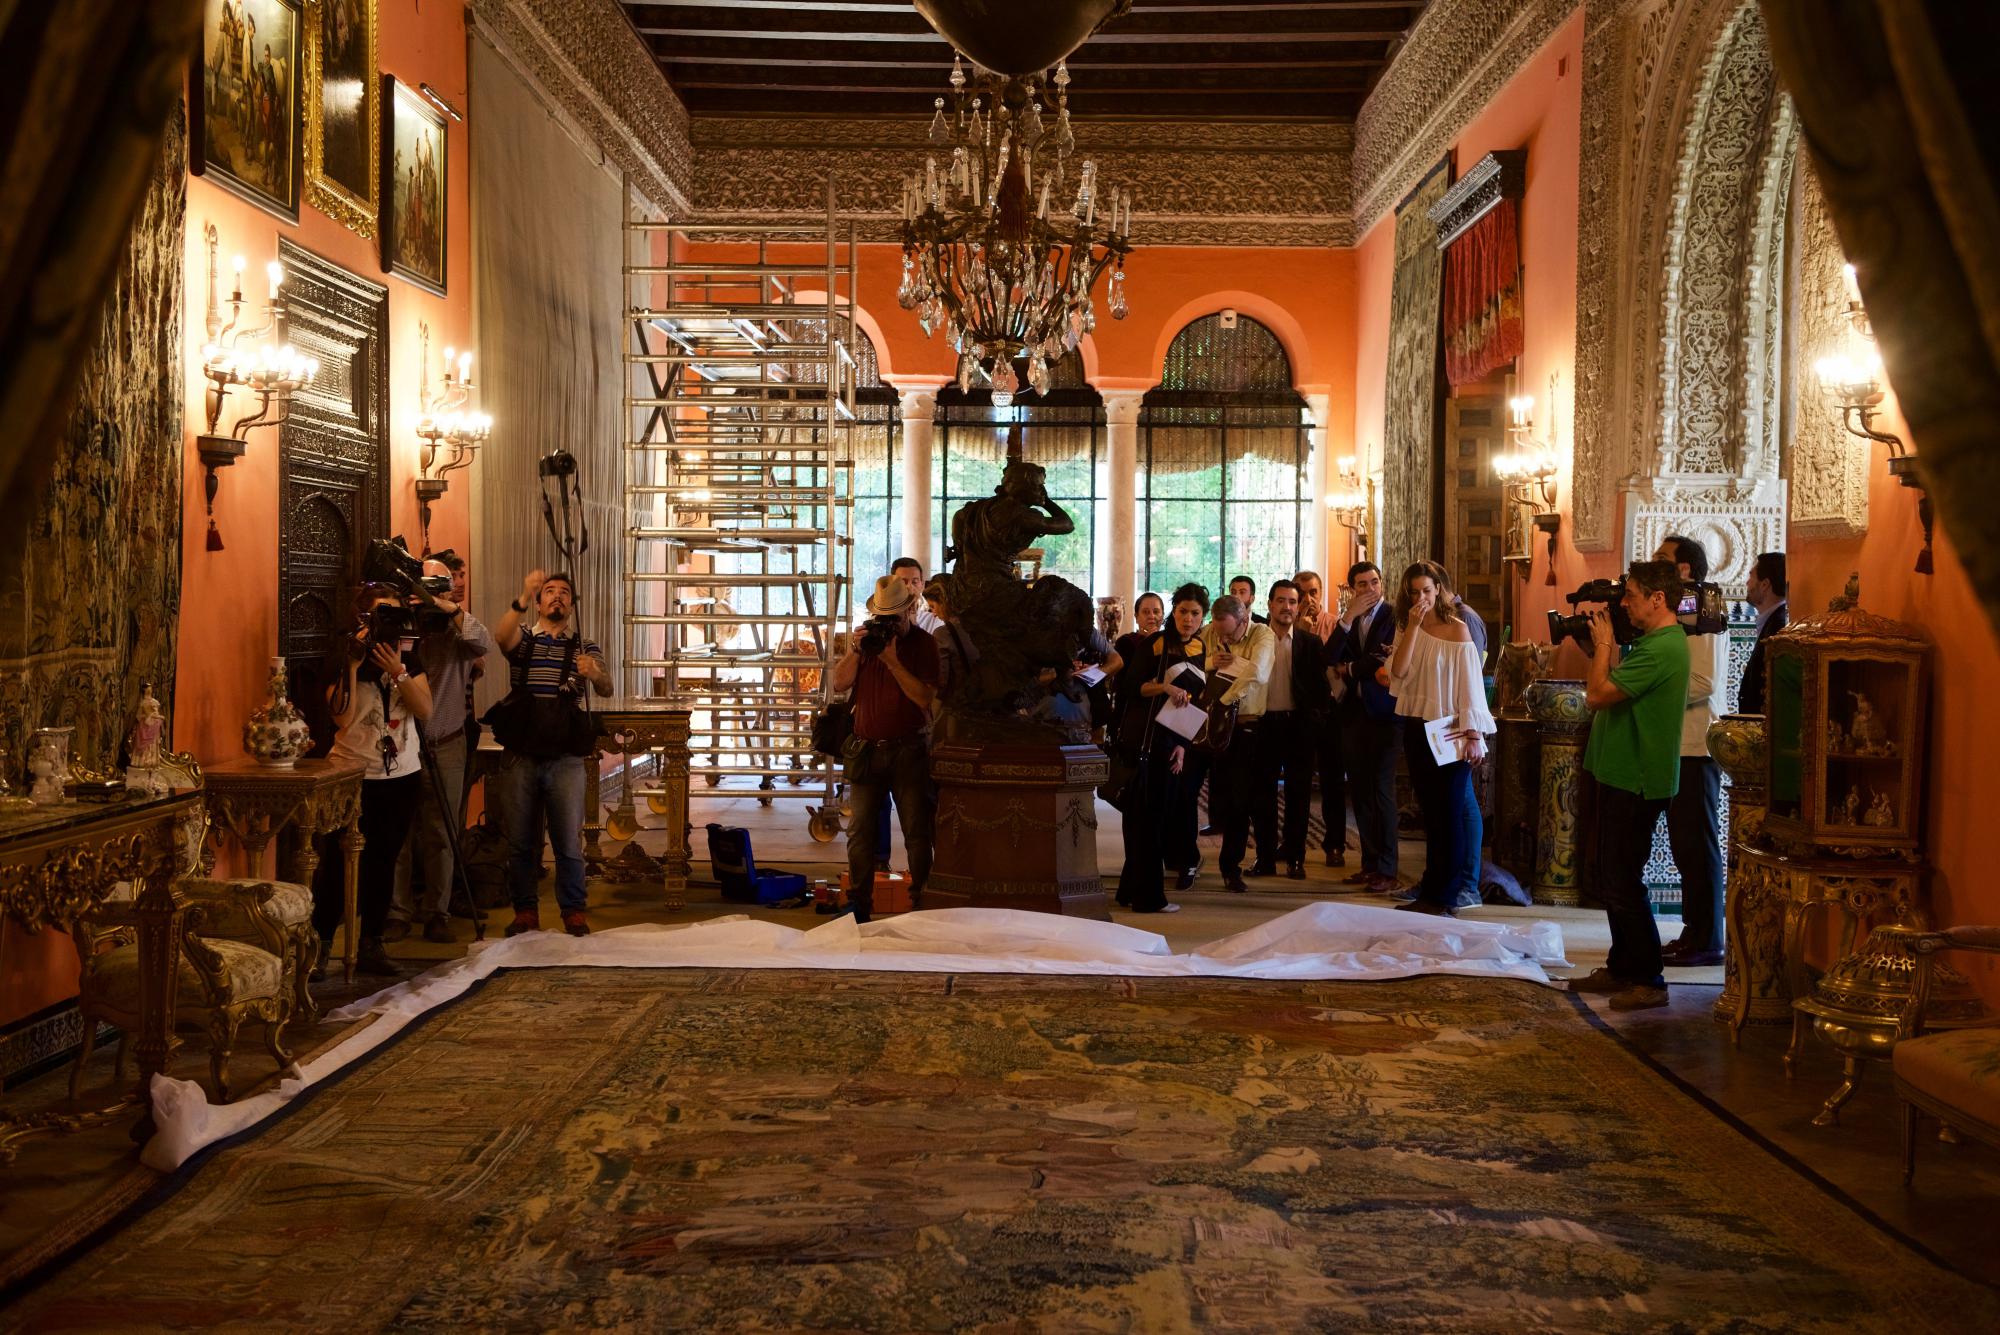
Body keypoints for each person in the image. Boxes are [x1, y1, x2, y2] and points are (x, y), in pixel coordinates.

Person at [1569, 560, 1692, 1012]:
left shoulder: (1665, 647)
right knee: (1611, 877)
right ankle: (1622, 967)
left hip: (1638, 778)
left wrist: (1603, 645)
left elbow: (1598, 695)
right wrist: (1607, 647)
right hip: (1618, 771)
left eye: (1632, 595)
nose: (1624, 604)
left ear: (1658, 599)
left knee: (1624, 881)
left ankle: (1648, 979)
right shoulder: (1650, 642)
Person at [311, 584, 433, 978]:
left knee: (383, 861)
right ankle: (321, 943)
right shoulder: (344, 658)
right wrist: (353, 663)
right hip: (350, 774)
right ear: (362, 618)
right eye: (381, 615)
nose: (388, 624)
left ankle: (371, 944)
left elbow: (425, 710)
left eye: (395, 615)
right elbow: (341, 719)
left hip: (401, 776)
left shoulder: (409, 660)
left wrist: (397, 671)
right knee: (336, 863)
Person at [492, 570, 612, 938]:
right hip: (522, 753)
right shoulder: (525, 638)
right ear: (540, 602)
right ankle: (525, 911)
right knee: (522, 841)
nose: (557, 597)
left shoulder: (583, 646)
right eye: (549, 592)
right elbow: (501, 638)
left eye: (564, 593)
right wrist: (523, 596)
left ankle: (573, 911)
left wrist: (594, 673)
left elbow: (606, 688)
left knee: (567, 841)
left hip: (564, 756)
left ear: (572, 606)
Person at [385, 556, 493, 945]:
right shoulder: (402, 625)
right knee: (400, 833)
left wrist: (449, 610)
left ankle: (437, 912)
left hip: (446, 742)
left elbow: (483, 643)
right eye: (425, 585)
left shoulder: (460, 632)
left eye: (439, 585)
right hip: (401, 745)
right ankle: (397, 911)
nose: (430, 593)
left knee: (442, 832)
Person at [830, 574, 940, 924]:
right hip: (866, 751)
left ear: (910, 610)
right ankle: (858, 903)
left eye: (894, 616)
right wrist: (855, 651)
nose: (888, 624)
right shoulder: (867, 644)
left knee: (916, 831)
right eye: (882, 617)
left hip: (909, 750)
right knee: (859, 831)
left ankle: (921, 900)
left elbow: (925, 699)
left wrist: (893, 661)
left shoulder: (925, 644)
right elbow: (839, 683)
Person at [1386, 561, 1493, 916]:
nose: (1421, 598)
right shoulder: (1408, 625)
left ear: (1439, 590)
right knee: (1431, 813)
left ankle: (1448, 895)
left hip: (1452, 729)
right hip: (1418, 727)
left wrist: (1474, 733)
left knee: (1449, 814)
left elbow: (1469, 687)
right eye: (1414, 592)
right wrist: (1414, 626)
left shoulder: (1460, 630)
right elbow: (1397, 672)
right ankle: (1431, 890)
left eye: (1427, 592)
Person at [1654, 535, 1729, 968]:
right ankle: (1693, 931)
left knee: (1697, 846)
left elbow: (1704, 681)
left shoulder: (1701, 606)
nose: (1653, 563)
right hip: (1674, 743)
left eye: (1663, 559)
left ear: (1684, 569)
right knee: (1685, 846)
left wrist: (1649, 692)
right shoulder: (1679, 608)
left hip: (1695, 744)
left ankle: (1707, 940)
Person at [1115, 585, 1210, 910]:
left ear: (1203, 616)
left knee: (1156, 819)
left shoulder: (1200, 647)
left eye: (1195, 613)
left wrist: (1184, 744)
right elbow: (1129, 687)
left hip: (1175, 743)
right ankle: (1149, 898)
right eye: (1183, 611)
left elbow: (1195, 701)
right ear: (1174, 611)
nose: (1188, 619)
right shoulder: (1157, 643)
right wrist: (1164, 687)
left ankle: (1130, 891)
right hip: (1148, 743)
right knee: (1150, 821)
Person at [1326, 562, 1400, 892]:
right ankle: (1369, 864)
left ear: (1382, 584)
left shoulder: (1395, 616)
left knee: (1381, 789)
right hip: (1353, 714)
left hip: (1385, 714)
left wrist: (1350, 668)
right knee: (1359, 790)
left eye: (1374, 582)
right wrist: (1346, 618)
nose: (1369, 589)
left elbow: (1385, 658)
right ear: (1351, 589)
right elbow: (1328, 656)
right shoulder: (1350, 618)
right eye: (1362, 584)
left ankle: (1388, 867)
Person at [1255, 580, 1331, 880]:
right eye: (1281, 601)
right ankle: (1264, 859)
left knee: (1299, 798)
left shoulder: (1309, 643)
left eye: (1292, 602)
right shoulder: (1256, 640)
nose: (1287, 607)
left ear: (1297, 607)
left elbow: (1321, 690)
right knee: (1263, 796)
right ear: (1270, 604)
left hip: (1298, 728)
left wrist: (1313, 724)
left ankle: (1295, 860)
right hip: (1264, 725)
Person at [1200, 593, 1276, 892]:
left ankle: (1235, 866)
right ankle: (1205, 862)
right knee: (1221, 798)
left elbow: (1259, 671)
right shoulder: (1212, 631)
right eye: (1219, 632)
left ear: (1243, 620)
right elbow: (1194, 662)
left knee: (1244, 800)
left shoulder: (1262, 634)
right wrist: (1211, 660)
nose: (1223, 637)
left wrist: (1223, 700)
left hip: (1249, 727)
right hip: (1212, 726)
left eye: (1229, 633)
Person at [1294, 568, 1348, 867]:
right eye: (1301, 594)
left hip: (1330, 712)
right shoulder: (1288, 627)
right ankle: (1293, 847)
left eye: (1313, 592)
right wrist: (1301, 629)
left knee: (1332, 782)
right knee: (1297, 782)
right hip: (1299, 712)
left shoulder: (1335, 624)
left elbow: (1333, 662)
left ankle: (1335, 845)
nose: (1309, 599)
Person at [1738, 551, 1788, 715]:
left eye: (1751, 576)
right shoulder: (1773, 620)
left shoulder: (1779, 627)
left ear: (1765, 584)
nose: (1747, 583)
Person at [891, 556, 945, 635]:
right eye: (903, 582)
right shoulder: (884, 617)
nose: (909, 587)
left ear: (922, 585)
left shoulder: (934, 617)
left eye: (914, 582)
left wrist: (914, 625)